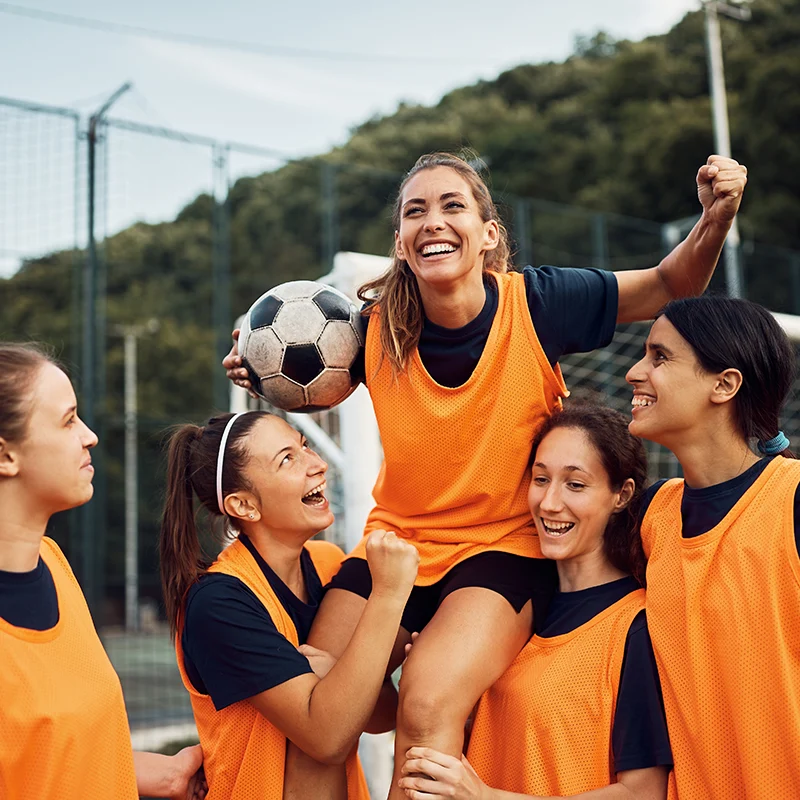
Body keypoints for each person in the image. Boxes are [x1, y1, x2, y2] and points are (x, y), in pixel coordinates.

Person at [223, 151, 747, 795]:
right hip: (398, 544)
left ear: (488, 233)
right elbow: (301, 363)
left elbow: (671, 284)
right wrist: (254, 360)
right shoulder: (366, 332)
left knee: (426, 704)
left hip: (502, 548)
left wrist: (716, 217)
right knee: (320, 712)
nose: (432, 221)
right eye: (415, 211)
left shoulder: (540, 304)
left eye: (452, 206)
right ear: (399, 242)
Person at [398, 403, 672, 800]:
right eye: (541, 479)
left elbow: (644, 793)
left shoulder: (635, 625)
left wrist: (488, 798)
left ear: (621, 495)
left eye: (575, 485)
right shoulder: (504, 611)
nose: (548, 503)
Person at [160, 409, 419, 800]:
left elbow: (376, 715)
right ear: (244, 506)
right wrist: (388, 596)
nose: (317, 464)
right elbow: (327, 736)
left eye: (305, 446)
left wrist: (337, 673)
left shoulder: (328, 562)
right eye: (288, 459)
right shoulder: (218, 603)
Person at [0, 342, 206, 800]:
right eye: (68, 420)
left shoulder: (53, 565)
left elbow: (46, 756)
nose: (90, 435)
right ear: (5, 456)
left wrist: (158, 774)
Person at [625, 296, 800, 798]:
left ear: (724, 384)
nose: (636, 372)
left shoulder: (790, 499)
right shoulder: (653, 517)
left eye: (659, 357)